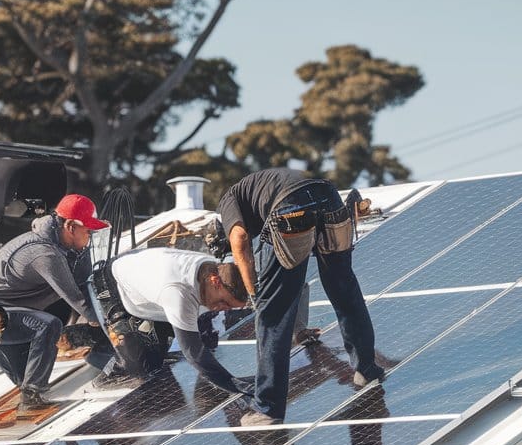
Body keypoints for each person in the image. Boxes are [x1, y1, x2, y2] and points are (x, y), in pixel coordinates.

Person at [217, 167, 384, 426]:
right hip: (328, 196)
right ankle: (366, 369)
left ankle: (267, 408)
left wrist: (253, 294)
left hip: (290, 209)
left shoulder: (228, 200)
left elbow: (239, 238)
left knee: (272, 314)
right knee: (344, 290)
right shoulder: (259, 186)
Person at [0, 193, 108, 411]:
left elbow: (86, 286)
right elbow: (78, 300)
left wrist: (103, 316)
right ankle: (33, 398)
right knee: (48, 325)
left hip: (19, 313)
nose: (90, 237)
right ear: (71, 227)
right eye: (88, 231)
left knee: (26, 375)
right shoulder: (44, 253)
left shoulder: (76, 251)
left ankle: (31, 392)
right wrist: (113, 328)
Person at [94, 247, 253, 397]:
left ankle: (151, 338)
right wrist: (236, 386)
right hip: (115, 282)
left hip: (149, 277)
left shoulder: (213, 270)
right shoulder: (177, 293)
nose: (223, 309)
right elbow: (194, 353)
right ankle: (108, 369)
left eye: (230, 307)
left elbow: (204, 339)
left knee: (193, 342)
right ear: (215, 281)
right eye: (224, 302)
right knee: (142, 368)